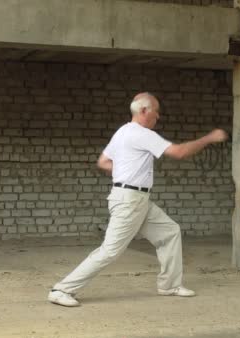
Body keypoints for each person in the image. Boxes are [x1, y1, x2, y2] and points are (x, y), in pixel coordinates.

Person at [48, 92, 229, 307]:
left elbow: (104, 162)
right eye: (156, 111)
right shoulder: (142, 133)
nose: (158, 116)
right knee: (110, 250)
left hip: (135, 198)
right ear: (144, 111)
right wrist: (209, 138)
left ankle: (169, 285)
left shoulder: (122, 132)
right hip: (130, 200)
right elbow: (179, 152)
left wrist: (126, 172)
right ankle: (62, 289)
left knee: (169, 231)